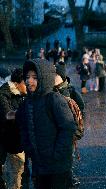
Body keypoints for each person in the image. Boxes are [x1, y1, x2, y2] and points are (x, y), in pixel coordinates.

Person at [16, 59, 76, 188]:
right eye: (27, 77)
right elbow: (23, 127)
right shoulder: (27, 102)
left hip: (58, 166)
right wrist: (29, 148)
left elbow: (68, 127)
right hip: (39, 165)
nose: (29, 81)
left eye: (34, 77)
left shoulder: (54, 99)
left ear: (45, 78)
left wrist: (57, 154)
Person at [54, 62, 85, 187]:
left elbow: (81, 108)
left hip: (69, 131)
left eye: (55, 75)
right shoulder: (48, 90)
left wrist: (77, 128)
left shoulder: (71, 90)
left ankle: (69, 176)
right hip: (54, 130)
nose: (52, 77)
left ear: (61, 76)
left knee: (68, 155)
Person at [0, 68, 27, 189]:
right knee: (13, 176)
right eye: (25, 83)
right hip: (7, 144)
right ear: (17, 83)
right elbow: (8, 115)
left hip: (18, 142)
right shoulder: (3, 94)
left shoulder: (21, 94)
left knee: (20, 174)